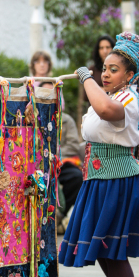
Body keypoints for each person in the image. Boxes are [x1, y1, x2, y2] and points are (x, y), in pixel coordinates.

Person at [59, 32, 139, 277]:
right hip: (101, 179)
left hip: (119, 179)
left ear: (130, 75)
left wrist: (87, 79)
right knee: (103, 250)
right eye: (104, 68)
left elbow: (105, 112)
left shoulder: (128, 98)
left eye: (114, 69)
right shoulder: (109, 95)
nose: (106, 74)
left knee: (112, 250)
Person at [39, 80, 84, 210]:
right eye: (45, 93)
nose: (49, 96)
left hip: (60, 162)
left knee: (77, 177)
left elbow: (73, 145)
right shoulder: (30, 118)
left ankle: (62, 215)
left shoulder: (66, 120)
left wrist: (53, 156)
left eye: (52, 93)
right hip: (37, 164)